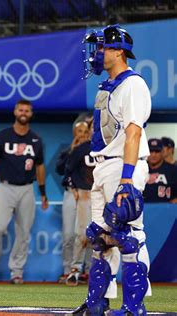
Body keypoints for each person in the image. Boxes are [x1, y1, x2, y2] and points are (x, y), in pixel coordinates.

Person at [73, 25, 152, 315]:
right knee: (100, 237)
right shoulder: (109, 85)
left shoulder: (132, 85)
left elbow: (133, 133)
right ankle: (97, 303)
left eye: (103, 47)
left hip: (123, 165)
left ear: (119, 51)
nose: (97, 53)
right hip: (104, 167)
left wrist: (127, 179)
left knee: (127, 236)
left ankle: (134, 307)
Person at [0, 99, 49, 284]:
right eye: (21, 109)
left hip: (27, 188)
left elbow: (40, 167)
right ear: (15, 111)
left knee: (24, 232)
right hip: (5, 187)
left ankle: (17, 271)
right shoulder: (3, 136)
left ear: (31, 113)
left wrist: (43, 193)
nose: (24, 113)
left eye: (27, 110)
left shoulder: (35, 139)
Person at [55, 120, 89, 283]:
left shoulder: (94, 151)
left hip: (88, 195)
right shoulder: (67, 151)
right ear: (74, 133)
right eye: (79, 131)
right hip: (71, 194)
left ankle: (87, 270)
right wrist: (71, 151)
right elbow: (60, 169)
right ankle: (68, 269)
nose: (82, 134)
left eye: (85, 131)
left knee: (87, 234)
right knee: (69, 235)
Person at [64, 122, 95, 286]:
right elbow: (67, 172)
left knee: (99, 235)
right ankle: (75, 269)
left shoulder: (109, 150)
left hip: (101, 195)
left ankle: (92, 270)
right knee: (82, 234)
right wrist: (74, 189)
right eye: (93, 128)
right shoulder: (81, 149)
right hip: (84, 193)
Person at [143, 139, 177, 203]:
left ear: (162, 152)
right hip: (142, 210)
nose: (153, 154)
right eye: (151, 151)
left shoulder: (173, 170)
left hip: (166, 210)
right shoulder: (139, 169)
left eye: (157, 151)